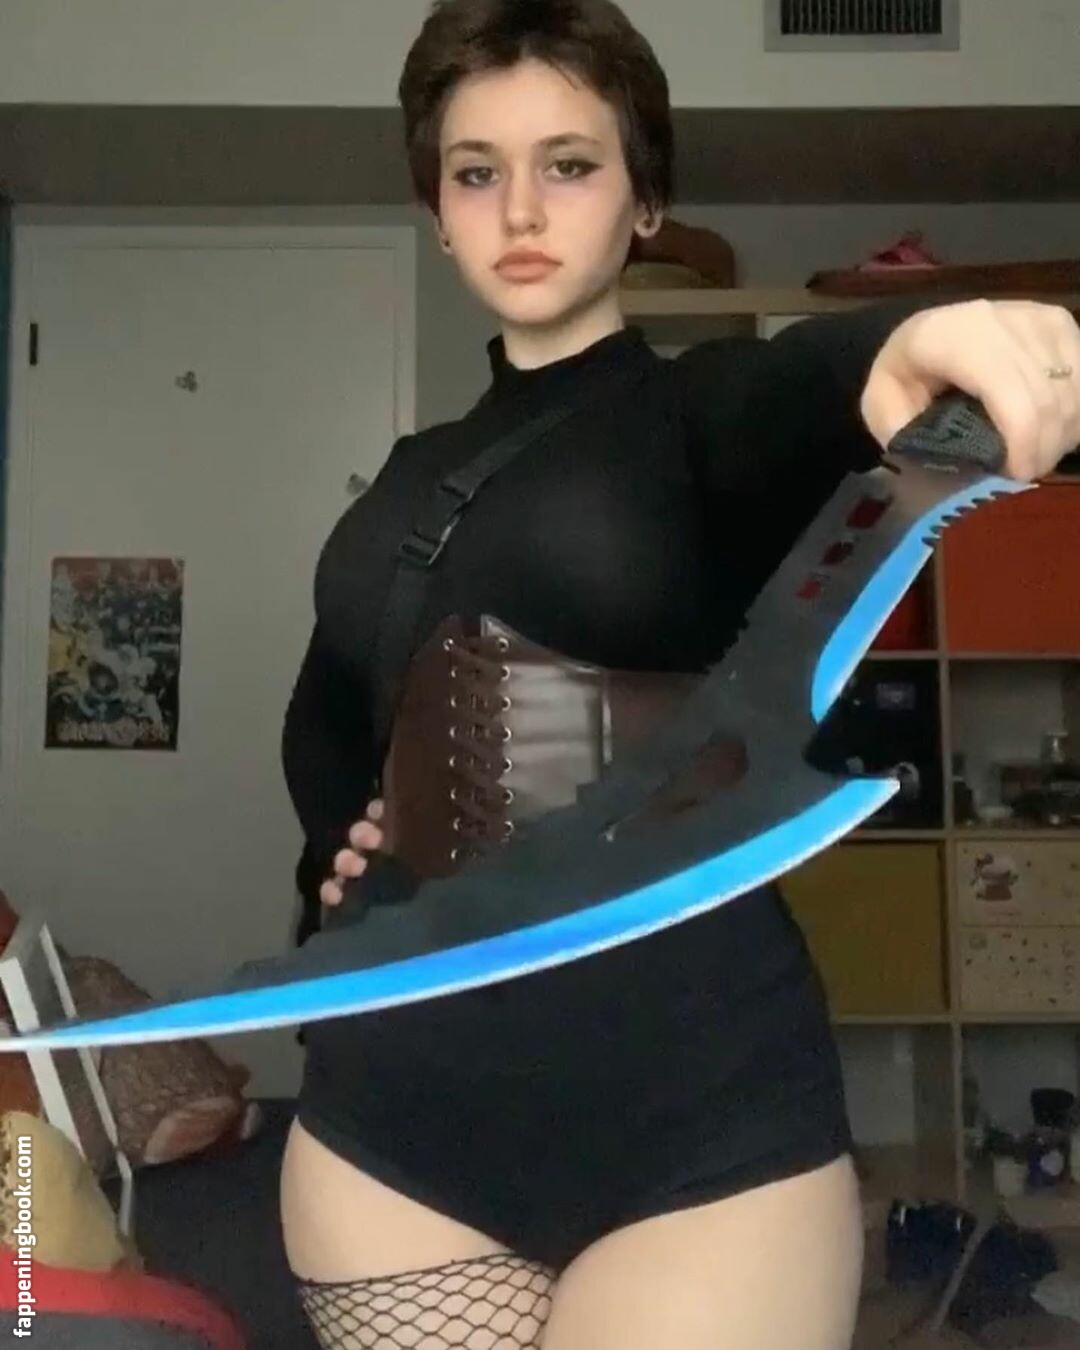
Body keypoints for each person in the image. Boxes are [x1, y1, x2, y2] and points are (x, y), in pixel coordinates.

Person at [277, 2, 1080, 1346]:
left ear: (645, 201)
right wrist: (342, 856)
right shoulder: (400, 488)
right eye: (476, 171)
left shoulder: (699, 413)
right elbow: (326, 732)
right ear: (438, 213)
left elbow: (817, 380)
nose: (519, 207)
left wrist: (936, 340)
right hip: (394, 1129)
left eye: (569, 164)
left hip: (695, 1128)